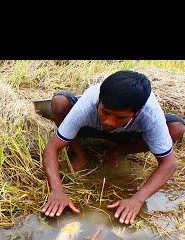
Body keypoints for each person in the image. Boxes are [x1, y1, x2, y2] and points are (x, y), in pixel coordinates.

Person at [41, 70, 185, 224]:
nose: (109, 122)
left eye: (120, 117)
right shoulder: (89, 102)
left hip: (127, 135)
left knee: (177, 128)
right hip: (90, 129)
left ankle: (117, 151)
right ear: (99, 102)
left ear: (137, 113)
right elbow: (52, 148)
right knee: (60, 101)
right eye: (105, 112)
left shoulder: (150, 114)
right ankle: (79, 154)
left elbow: (169, 164)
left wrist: (138, 199)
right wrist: (57, 189)